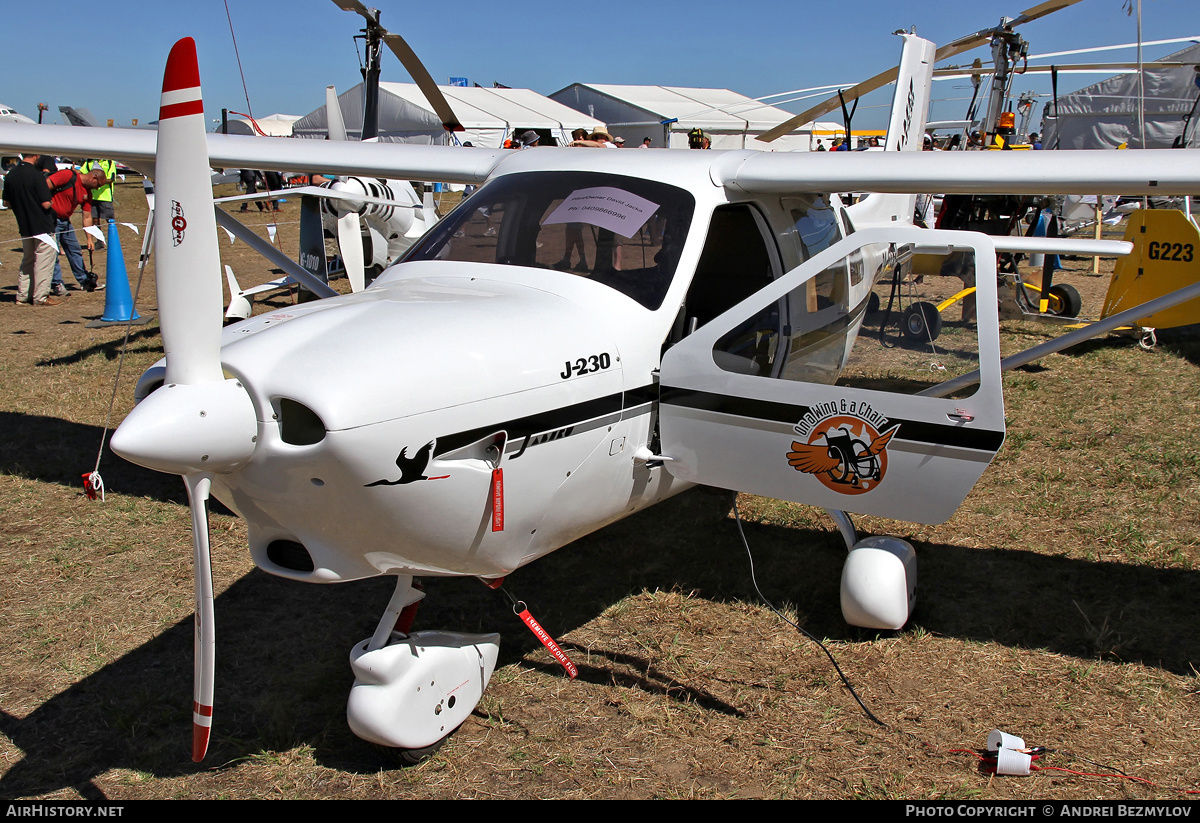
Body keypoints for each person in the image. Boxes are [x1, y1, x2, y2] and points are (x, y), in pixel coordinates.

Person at [2, 154, 62, 305]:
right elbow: (46, 204)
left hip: (24, 225)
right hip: (42, 225)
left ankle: (23, 295)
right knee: (43, 260)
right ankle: (41, 296)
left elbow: (6, 202)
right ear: (35, 156)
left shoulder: (11, 175)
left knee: (28, 260)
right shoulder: (37, 175)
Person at [47, 167, 105, 293]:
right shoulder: (67, 175)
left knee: (75, 250)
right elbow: (46, 185)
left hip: (65, 222)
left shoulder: (87, 193)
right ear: (93, 178)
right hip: (51, 220)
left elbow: (87, 216)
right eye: (98, 185)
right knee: (53, 252)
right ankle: (56, 283)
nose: (97, 188)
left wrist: (89, 238)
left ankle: (85, 281)